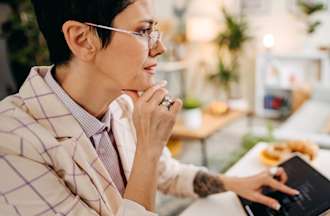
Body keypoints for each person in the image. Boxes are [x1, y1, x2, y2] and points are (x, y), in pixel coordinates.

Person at [0, 0, 299, 215]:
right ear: (82, 39)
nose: (160, 47)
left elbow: (167, 174)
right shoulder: (12, 144)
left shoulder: (121, 103)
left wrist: (236, 183)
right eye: (144, 31)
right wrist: (149, 148)